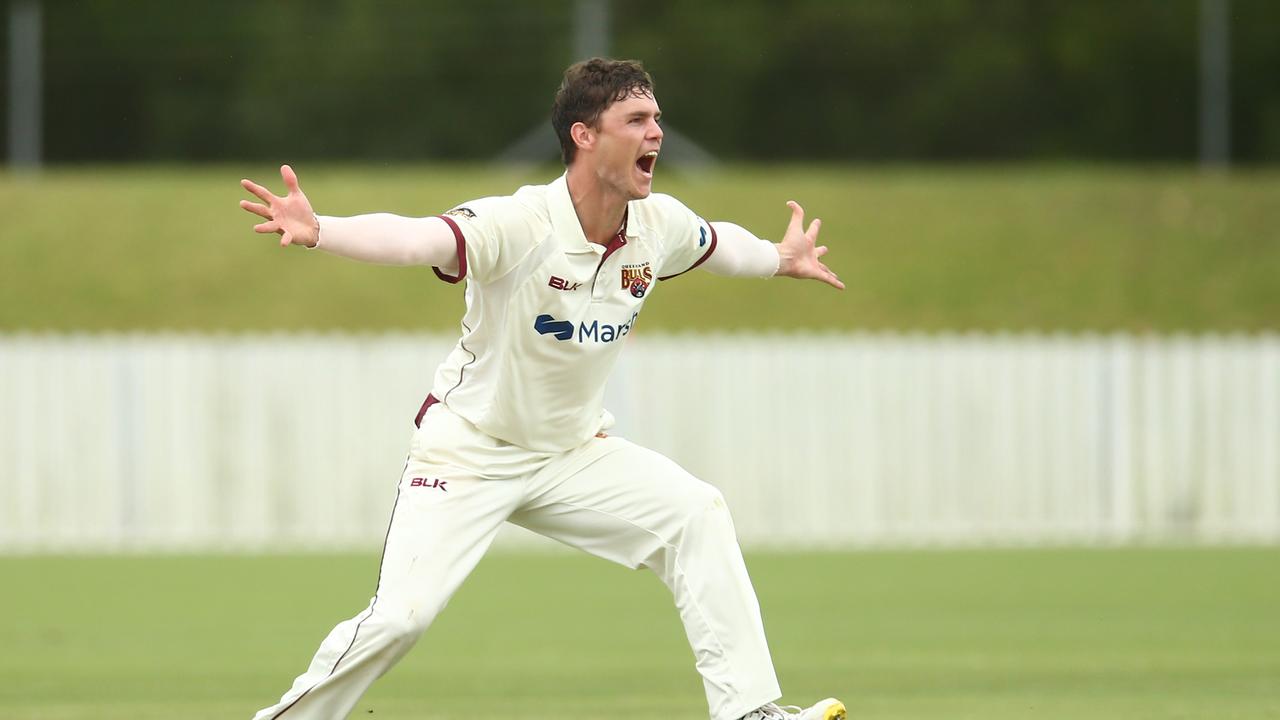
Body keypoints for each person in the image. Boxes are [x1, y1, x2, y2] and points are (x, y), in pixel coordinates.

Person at [238, 58, 846, 720]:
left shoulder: (657, 224)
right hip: (470, 451)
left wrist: (780, 259)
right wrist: (322, 228)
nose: (656, 135)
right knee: (401, 621)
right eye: (636, 121)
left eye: (658, 120)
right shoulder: (519, 224)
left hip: (571, 453)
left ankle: (751, 714)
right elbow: (418, 239)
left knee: (696, 514)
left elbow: (719, 245)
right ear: (584, 135)